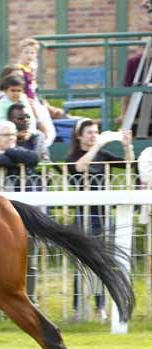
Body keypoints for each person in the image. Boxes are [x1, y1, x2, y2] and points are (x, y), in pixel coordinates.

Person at [65, 119, 135, 322]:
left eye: (96, 132)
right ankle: (78, 310)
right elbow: (79, 168)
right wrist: (98, 145)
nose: (93, 135)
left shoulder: (103, 156)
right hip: (84, 216)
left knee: (103, 264)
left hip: (104, 217)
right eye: (89, 132)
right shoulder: (73, 156)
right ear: (79, 136)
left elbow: (129, 165)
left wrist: (126, 145)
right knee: (83, 264)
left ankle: (101, 308)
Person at [0, 120, 40, 191]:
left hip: (21, 194)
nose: (11, 138)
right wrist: (18, 160)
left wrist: (8, 151)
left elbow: (34, 158)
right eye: (6, 135)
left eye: (13, 134)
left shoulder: (19, 150)